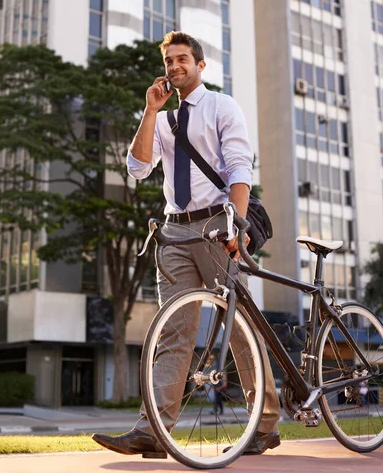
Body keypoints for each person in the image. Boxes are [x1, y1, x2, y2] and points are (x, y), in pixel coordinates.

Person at [92, 31, 280, 458]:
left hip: (217, 223)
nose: (175, 66)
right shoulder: (161, 120)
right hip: (175, 231)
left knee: (238, 327)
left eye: (182, 59)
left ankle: (265, 424)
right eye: (169, 61)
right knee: (174, 330)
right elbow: (138, 169)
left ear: (200, 65)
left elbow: (237, 168)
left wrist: (236, 222)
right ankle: (155, 429)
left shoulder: (221, 106)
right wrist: (149, 109)